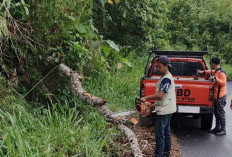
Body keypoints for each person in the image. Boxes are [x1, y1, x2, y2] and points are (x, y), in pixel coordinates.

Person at [141, 55, 176, 157]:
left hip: (164, 110)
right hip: (167, 108)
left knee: (160, 133)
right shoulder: (165, 77)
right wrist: (154, 105)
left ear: (166, 66)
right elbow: (163, 96)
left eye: (159, 66)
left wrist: (146, 98)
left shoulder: (166, 79)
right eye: (157, 66)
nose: (157, 69)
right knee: (166, 131)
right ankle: (166, 153)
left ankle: (159, 155)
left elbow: (160, 95)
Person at [197, 57, 227, 136]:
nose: (211, 65)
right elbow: (211, 71)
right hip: (216, 96)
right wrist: (203, 71)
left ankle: (223, 130)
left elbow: (223, 83)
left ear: (213, 64)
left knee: (221, 113)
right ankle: (217, 128)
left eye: (211, 64)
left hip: (220, 96)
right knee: (216, 113)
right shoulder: (217, 71)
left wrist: (215, 78)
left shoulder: (221, 73)